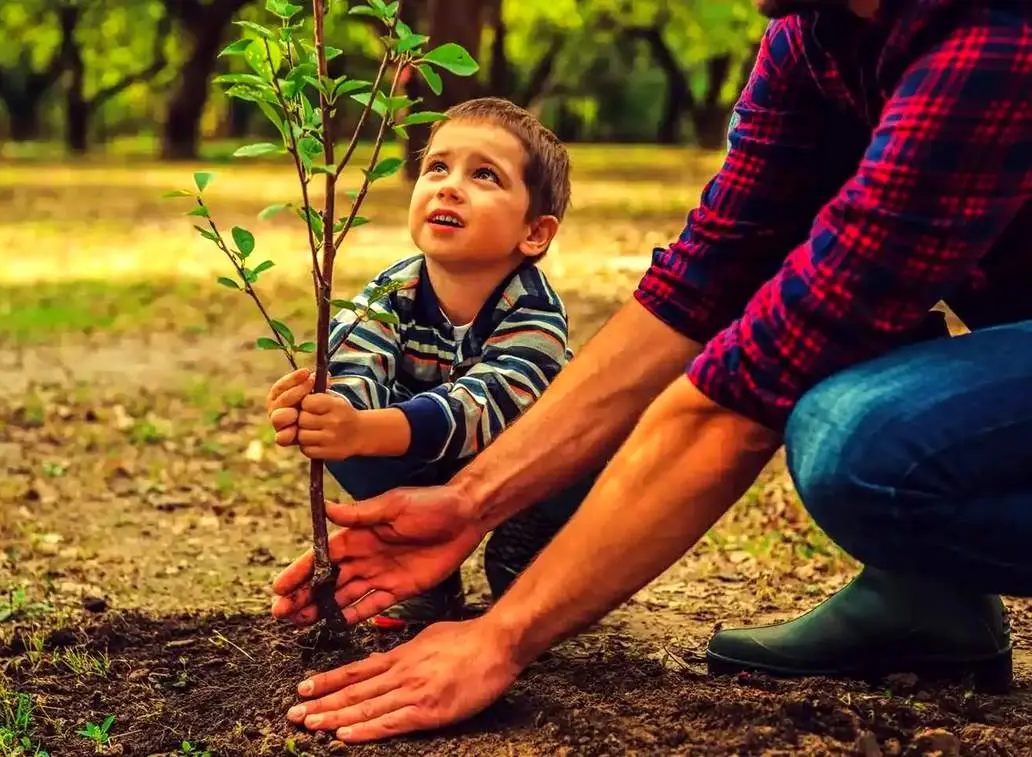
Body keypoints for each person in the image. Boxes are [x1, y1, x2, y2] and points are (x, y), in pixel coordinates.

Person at [267, 0, 1032, 744]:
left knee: (859, 442)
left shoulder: (994, 38)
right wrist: (467, 501)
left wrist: (501, 634)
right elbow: (703, 282)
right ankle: (927, 596)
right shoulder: (813, 40)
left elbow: (751, 387)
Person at [266, 96, 596, 630]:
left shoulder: (534, 311)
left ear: (533, 232)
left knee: (584, 463)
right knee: (350, 443)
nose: (449, 185)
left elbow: (485, 407)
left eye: (484, 175)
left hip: (527, 469)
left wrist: (371, 427)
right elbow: (355, 360)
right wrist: (326, 411)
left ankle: (534, 542)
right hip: (429, 459)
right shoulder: (393, 289)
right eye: (437, 167)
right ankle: (429, 576)